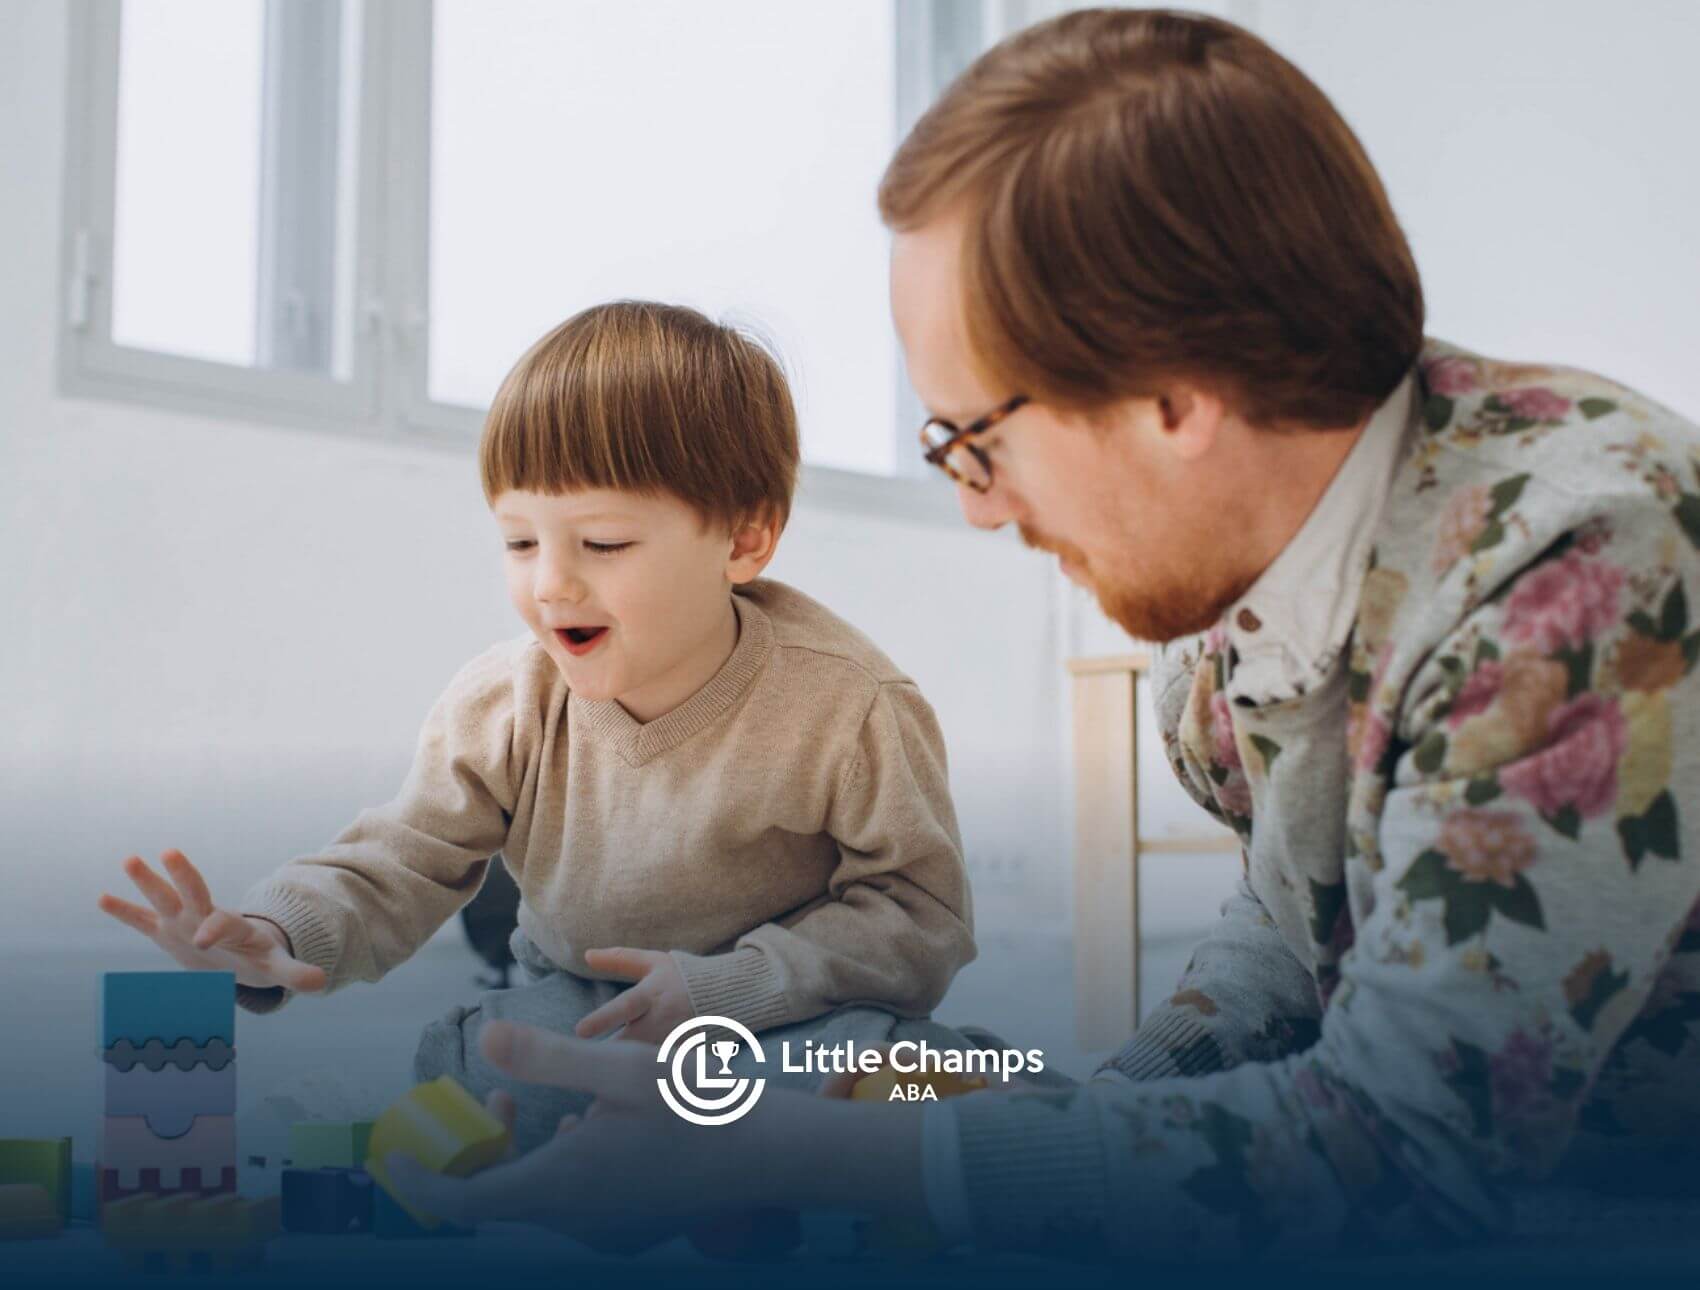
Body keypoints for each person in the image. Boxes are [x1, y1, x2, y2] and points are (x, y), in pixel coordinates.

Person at [383, 7, 1700, 1266]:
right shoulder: (1239, 599)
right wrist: (1069, 1117)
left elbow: (1411, 1146)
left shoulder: (1577, 571)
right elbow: (1300, 931)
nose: (975, 507)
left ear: (1172, 398)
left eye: (978, 439)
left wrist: (833, 1159)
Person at [97, 300, 978, 1149]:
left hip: (790, 1012)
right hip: (586, 1007)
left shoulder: (848, 702)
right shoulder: (506, 700)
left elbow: (919, 915)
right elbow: (402, 858)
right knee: (494, 1066)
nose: (551, 584)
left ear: (744, 541)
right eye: (520, 542)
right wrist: (278, 933)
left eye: (602, 544)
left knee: (892, 1070)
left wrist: (726, 990)